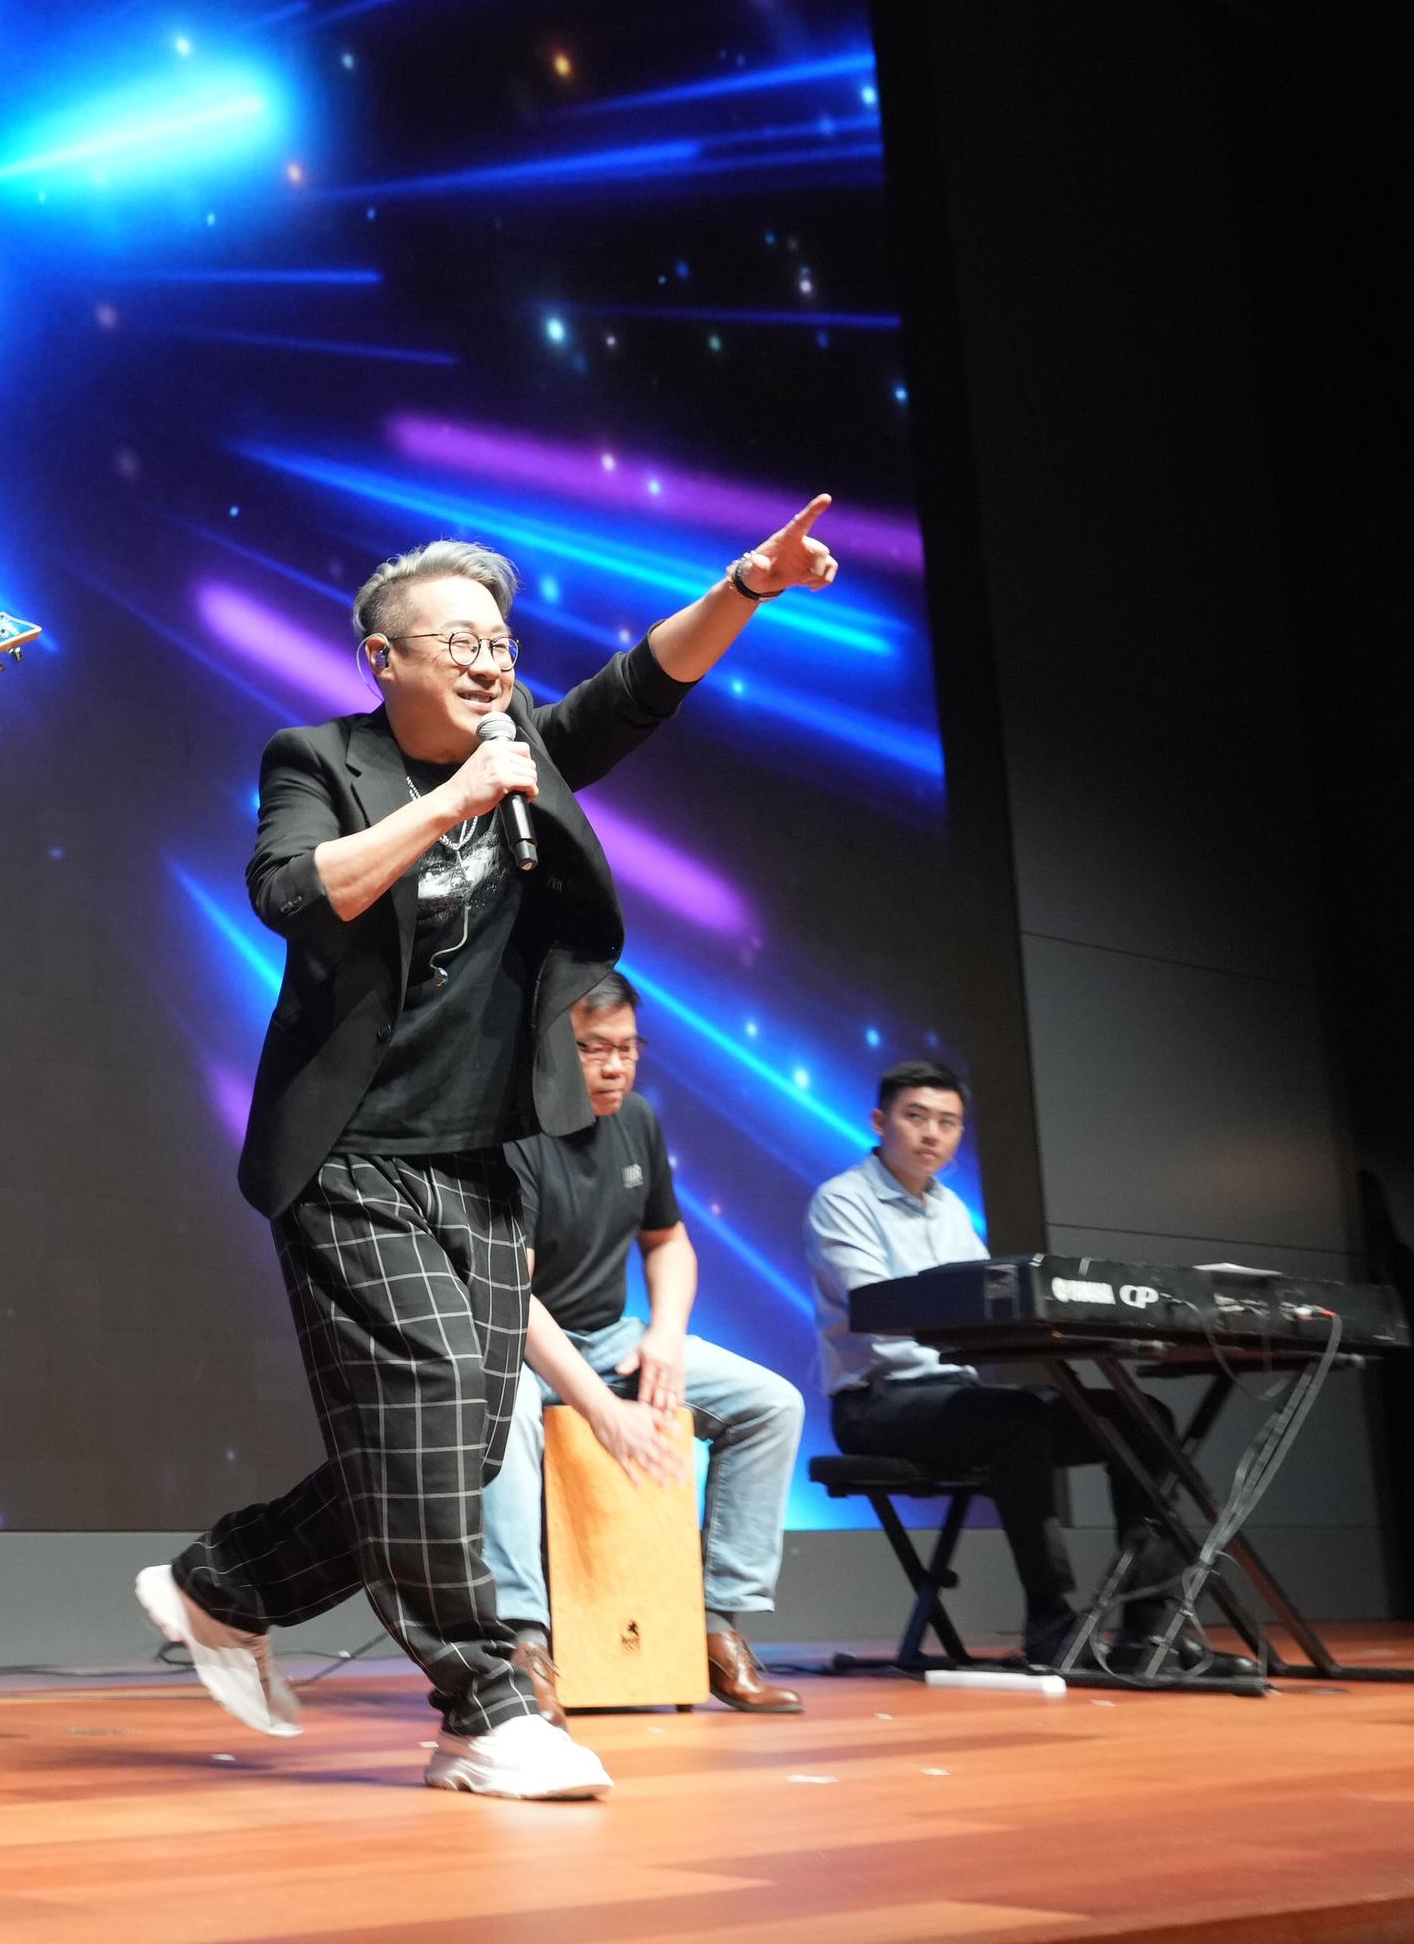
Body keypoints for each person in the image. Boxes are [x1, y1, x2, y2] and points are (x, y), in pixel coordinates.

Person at [136, 503, 840, 1804]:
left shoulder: (529, 750)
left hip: (478, 1157)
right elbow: (294, 891)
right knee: (413, 1411)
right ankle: (480, 1702)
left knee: (448, 1448)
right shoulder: (317, 757)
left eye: (498, 640)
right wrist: (456, 796)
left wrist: (746, 581)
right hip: (346, 1154)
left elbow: (639, 686)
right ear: (378, 658)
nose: (486, 659)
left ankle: (224, 1583)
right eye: (453, 639)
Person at [482, 974, 806, 1717]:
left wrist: (662, 1336)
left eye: (627, 1048)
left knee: (771, 1404)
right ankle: (523, 1642)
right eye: (592, 1049)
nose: (613, 1066)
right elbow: (512, 1299)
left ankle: (715, 1625)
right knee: (505, 1413)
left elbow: (669, 1243)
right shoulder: (512, 1137)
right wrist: (600, 1408)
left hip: (612, 1336)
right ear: (550, 1051)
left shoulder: (637, 1121)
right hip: (519, 1343)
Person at [805, 1061, 1194, 1671]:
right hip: (878, 1405)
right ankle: (1051, 1618)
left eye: (948, 1122)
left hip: (959, 1398)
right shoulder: (842, 1199)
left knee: (1145, 1417)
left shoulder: (951, 1209)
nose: (932, 1134)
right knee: (1015, 1419)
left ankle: (1146, 1629)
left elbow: (992, 1298)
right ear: (881, 1122)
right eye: (915, 1117)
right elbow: (878, 1304)